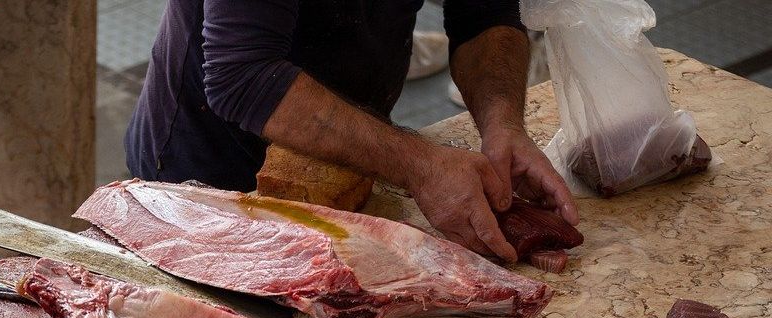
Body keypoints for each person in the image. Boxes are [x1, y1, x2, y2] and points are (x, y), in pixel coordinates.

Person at [124, 0, 577, 263]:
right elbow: (242, 75)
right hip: (209, 174)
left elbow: (484, 15)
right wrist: (420, 165)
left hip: (346, 165)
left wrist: (502, 124)